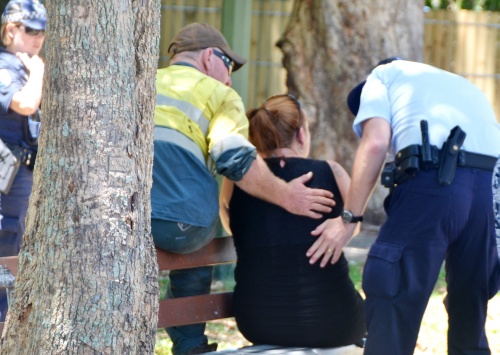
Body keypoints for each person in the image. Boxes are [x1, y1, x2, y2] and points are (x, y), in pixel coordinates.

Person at [152, 23, 334, 355]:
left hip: (123, 221)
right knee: (196, 241)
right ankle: (190, 347)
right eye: (229, 65)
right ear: (209, 57)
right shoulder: (220, 94)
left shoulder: (139, 82)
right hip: (183, 228)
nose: (230, 77)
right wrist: (287, 196)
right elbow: (235, 160)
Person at [306, 57, 500, 354]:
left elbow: (375, 143)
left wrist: (349, 219)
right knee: (470, 304)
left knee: (392, 291)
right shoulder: (460, 85)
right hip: (489, 189)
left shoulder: (381, 76)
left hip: (435, 182)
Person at [219, 94, 366, 349]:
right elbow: (355, 227)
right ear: (301, 135)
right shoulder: (332, 171)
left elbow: (228, 223)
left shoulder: (236, 180)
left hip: (257, 323)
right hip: (337, 323)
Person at [0, 0, 45, 321]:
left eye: (42, 30)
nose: (38, 37)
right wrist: (39, 72)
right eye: (31, 30)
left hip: (20, 177)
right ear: (10, 30)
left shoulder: (22, 67)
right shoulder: (5, 67)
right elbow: (26, 104)